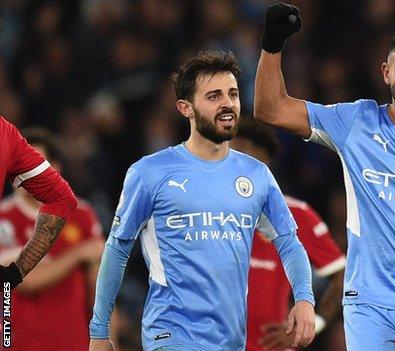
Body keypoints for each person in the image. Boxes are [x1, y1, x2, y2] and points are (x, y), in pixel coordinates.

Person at [254, 4, 395, 351]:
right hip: (368, 303)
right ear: (386, 72)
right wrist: (272, 46)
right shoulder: (356, 122)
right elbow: (270, 108)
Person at [89, 50, 316, 351]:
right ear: (186, 108)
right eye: (214, 96)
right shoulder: (149, 173)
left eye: (232, 94)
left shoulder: (256, 175)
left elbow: (289, 243)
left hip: (232, 339)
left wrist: (304, 299)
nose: (227, 104)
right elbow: (117, 250)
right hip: (171, 334)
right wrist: (100, 330)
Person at [231, 120, 346, 351]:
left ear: (265, 166)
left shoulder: (295, 215)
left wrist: (314, 322)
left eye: (247, 162)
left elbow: (342, 277)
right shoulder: (206, 213)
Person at [0, 128, 104, 351]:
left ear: (54, 168)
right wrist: (78, 254)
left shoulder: (82, 215)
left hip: (73, 342)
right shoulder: (4, 218)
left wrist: (105, 334)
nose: (27, 171)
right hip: (20, 343)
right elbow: (24, 281)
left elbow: (98, 285)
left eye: (37, 163)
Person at [0, 116, 78, 290]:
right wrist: (15, 273)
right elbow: (62, 198)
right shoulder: (5, 133)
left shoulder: (85, 216)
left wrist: (14, 273)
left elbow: (62, 199)